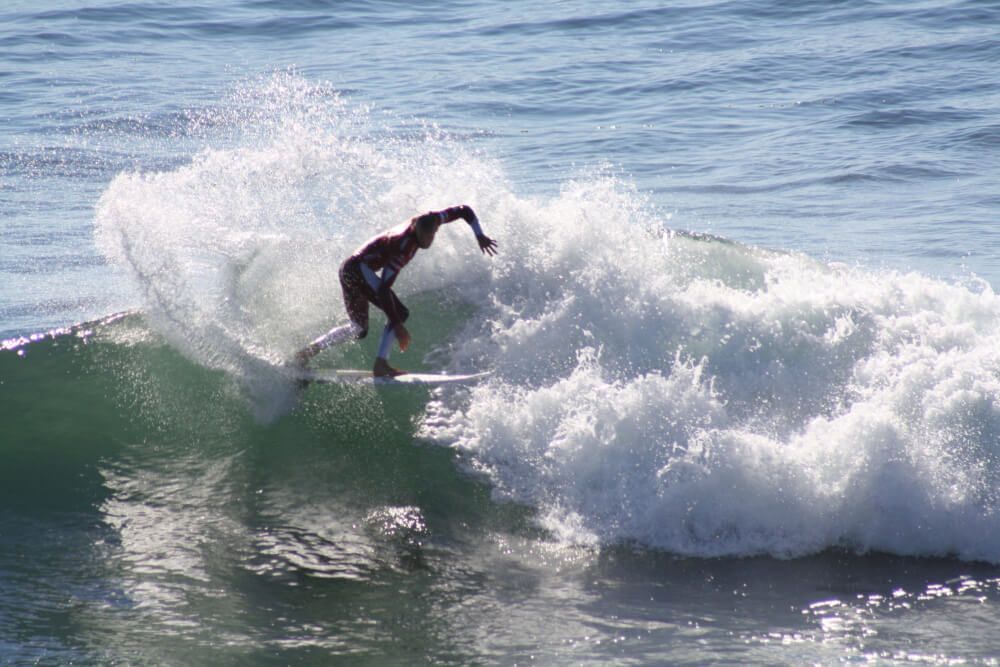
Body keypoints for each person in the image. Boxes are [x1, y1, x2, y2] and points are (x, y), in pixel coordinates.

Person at [294, 205, 497, 376]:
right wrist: (398, 325)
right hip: (355, 271)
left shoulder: (433, 218)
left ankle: (306, 353)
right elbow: (383, 290)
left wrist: (479, 234)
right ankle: (381, 364)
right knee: (399, 313)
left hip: (349, 268)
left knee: (358, 329)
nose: (428, 241)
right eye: (424, 237)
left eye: (431, 236)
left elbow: (464, 210)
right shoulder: (403, 246)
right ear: (416, 230)